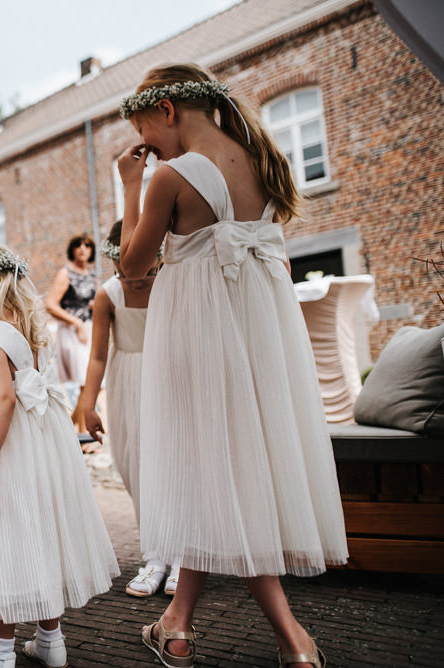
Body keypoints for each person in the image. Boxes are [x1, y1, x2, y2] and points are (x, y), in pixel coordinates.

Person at [116, 63, 347, 668]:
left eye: (144, 127)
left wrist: (128, 184)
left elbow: (132, 268)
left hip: (200, 345)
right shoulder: (264, 164)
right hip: (259, 345)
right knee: (216, 475)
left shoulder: (171, 176)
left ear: (167, 111)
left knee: (219, 474)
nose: (145, 145)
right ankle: (177, 624)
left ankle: (292, 639)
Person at [0, 238, 119, 668]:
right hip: (37, 450)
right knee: (37, 535)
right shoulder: (28, 328)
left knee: (3, 542)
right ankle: (49, 640)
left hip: (5, 452)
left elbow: (2, 400)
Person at [79, 222, 178, 599]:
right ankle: (154, 556)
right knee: (136, 466)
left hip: (169, 379)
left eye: (145, 270)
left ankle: (184, 559)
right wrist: (89, 404)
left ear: (158, 257)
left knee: (174, 465)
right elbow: (98, 354)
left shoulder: (173, 284)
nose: (134, 279)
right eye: (124, 270)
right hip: (128, 384)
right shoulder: (108, 295)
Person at [44, 234, 96, 410]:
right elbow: (50, 304)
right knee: (86, 381)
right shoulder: (65, 273)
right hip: (72, 331)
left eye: (87, 245)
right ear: (72, 250)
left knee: (92, 380)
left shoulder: (92, 275)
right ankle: (84, 432)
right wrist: (77, 323)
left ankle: (77, 425)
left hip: (90, 329)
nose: (83, 248)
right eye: (79, 245)